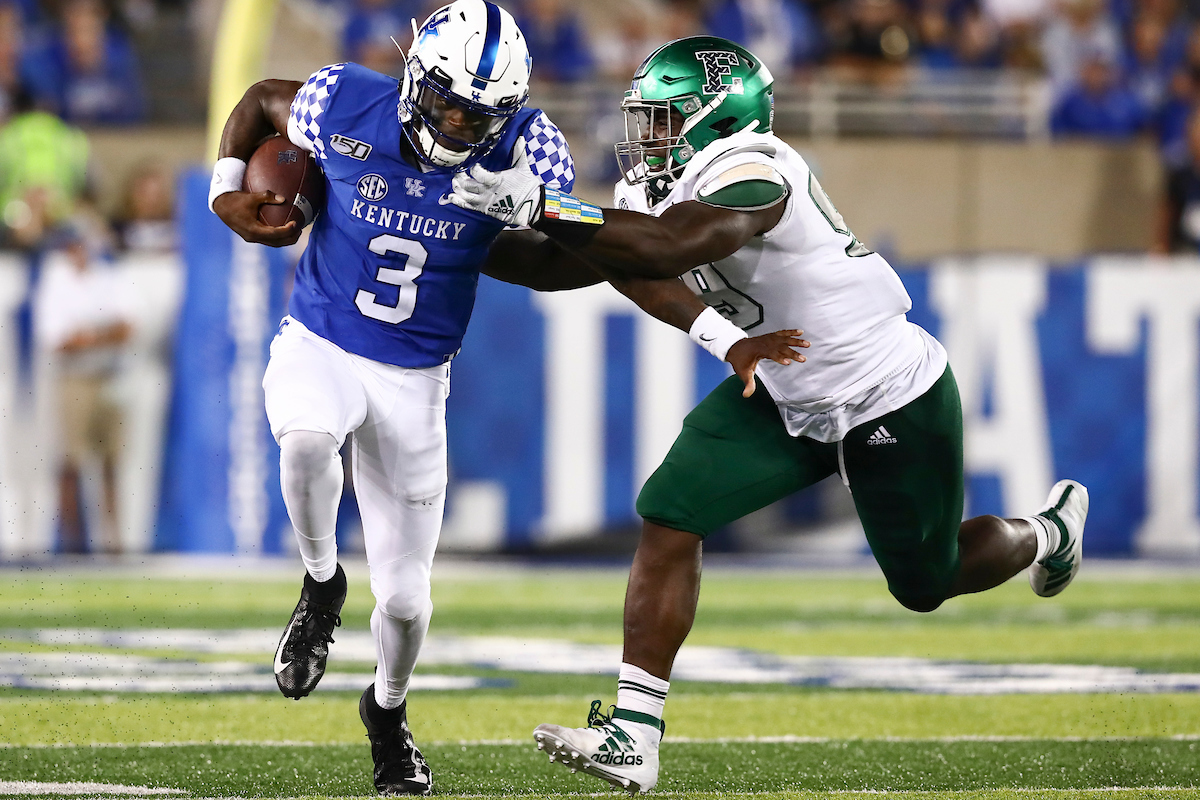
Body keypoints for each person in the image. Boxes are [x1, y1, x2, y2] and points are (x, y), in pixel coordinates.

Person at [449, 34, 1090, 794]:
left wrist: (545, 206)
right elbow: (562, 266)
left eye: (663, 119)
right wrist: (459, 226)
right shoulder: (654, 188)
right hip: (780, 382)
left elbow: (677, 243)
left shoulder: (756, 165)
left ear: (720, 117)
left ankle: (1047, 530)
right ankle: (634, 738)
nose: (645, 137)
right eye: (644, 119)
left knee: (927, 581)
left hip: (884, 389)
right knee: (670, 512)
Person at [209, 4, 796, 796]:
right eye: (447, 101)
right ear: (416, 79)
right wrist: (224, 191)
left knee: (410, 604)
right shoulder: (344, 99)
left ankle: (386, 713)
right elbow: (259, 103)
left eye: (479, 113)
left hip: (416, 379)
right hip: (319, 339)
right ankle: (320, 583)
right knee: (307, 440)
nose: (457, 123)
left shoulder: (530, 149)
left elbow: (572, 255)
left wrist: (537, 219)